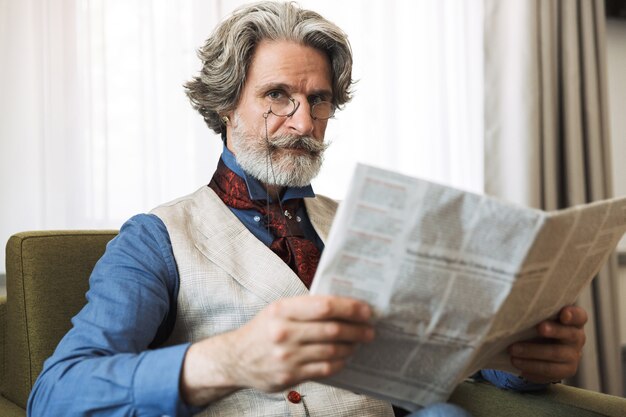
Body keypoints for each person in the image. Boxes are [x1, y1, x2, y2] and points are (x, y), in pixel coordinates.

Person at [27, 2, 587, 416]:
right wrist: (228, 360)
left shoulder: (367, 222)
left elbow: (435, 347)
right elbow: (57, 394)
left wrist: (525, 360)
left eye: (318, 100)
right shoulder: (156, 238)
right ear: (225, 105)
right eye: (277, 96)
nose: (302, 122)